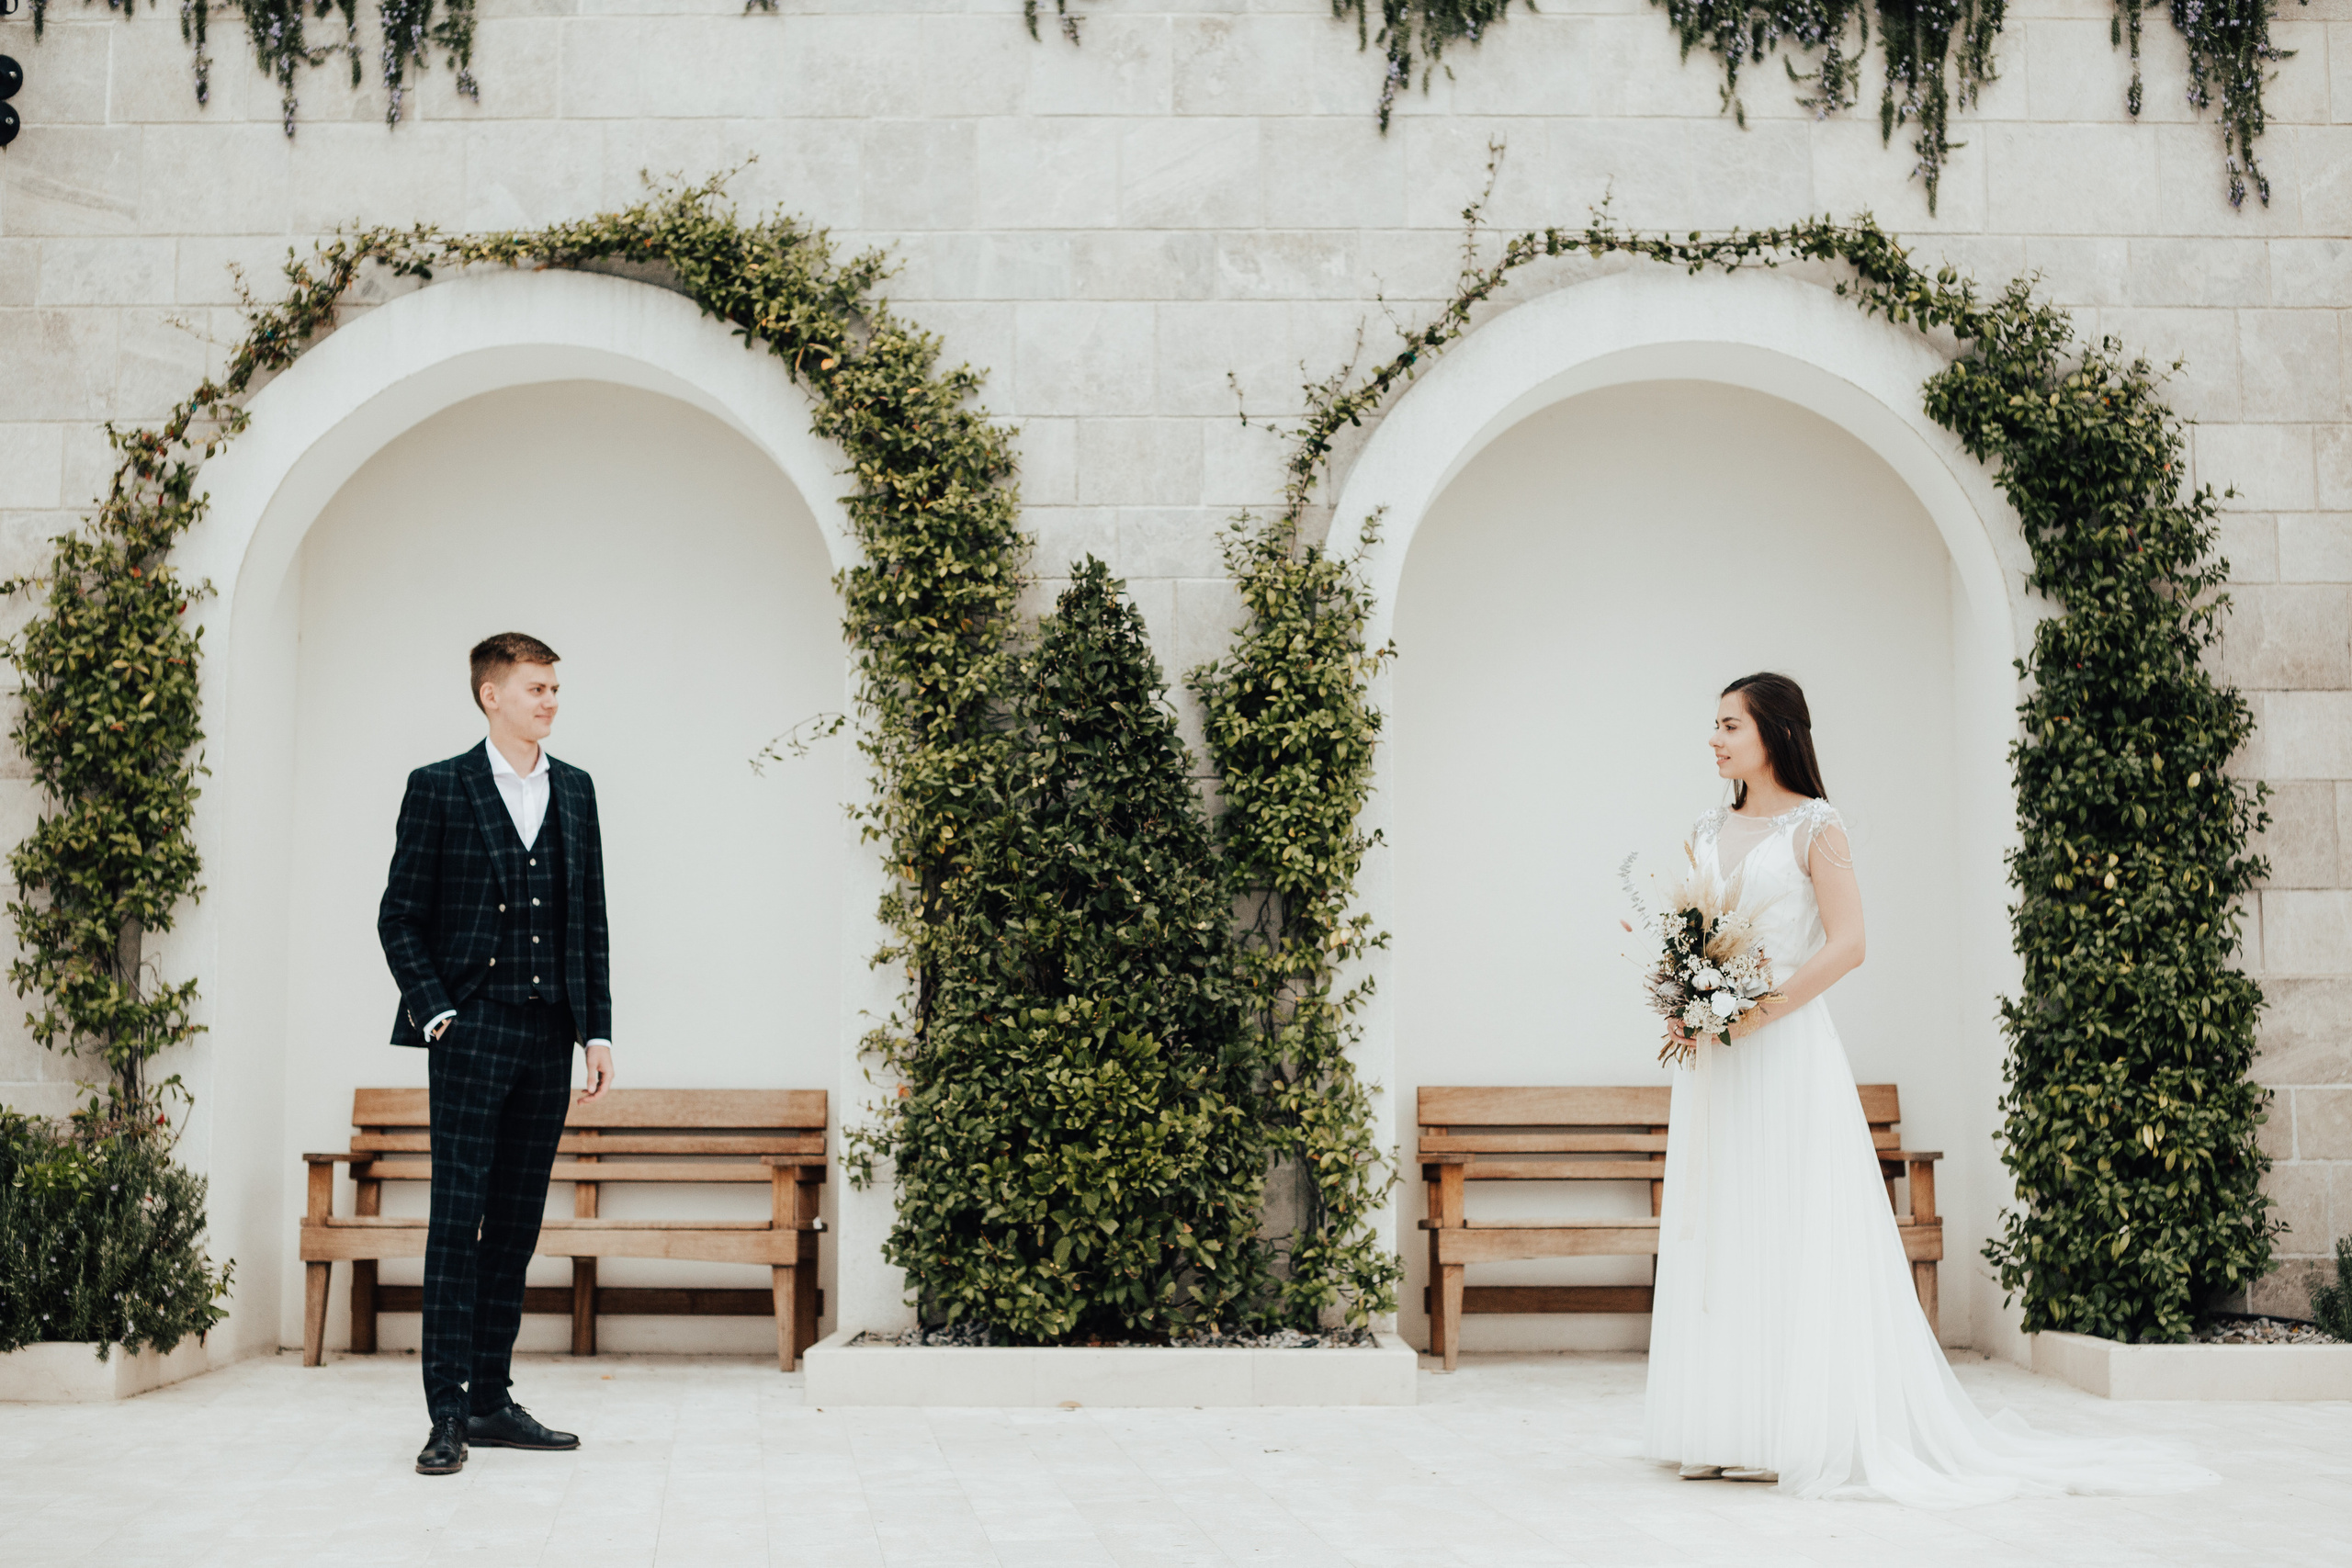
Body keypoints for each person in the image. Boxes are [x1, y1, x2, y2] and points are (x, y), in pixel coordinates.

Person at [1640, 671, 2213, 1506]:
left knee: (1791, 1220)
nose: (1716, 739)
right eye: (1714, 726)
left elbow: (1849, 944)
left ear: (1774, 732)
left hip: (1784, 1046)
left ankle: (1789, 1425)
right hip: (1716, 1061)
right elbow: (1690, 931)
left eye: (1730, 724)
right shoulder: (1703, 826)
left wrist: (1760, 1009)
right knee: (1720, 1219)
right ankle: (1719, 1424)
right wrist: (1688, 1002)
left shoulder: (1816, 827)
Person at [379, 632, 617, 1476]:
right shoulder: (440, 787)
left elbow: (587, 918)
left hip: (549, 1033)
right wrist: (439, 1012)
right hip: (472, 1033)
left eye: (555, 687)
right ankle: (445, 1413)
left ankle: (489, 1399)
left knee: (513, 1228)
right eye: (536, 687)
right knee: (457, 1225)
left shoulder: (576, 791)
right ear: (492, 695)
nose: (551, 700)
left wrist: (596, 1029)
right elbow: (398, 916)